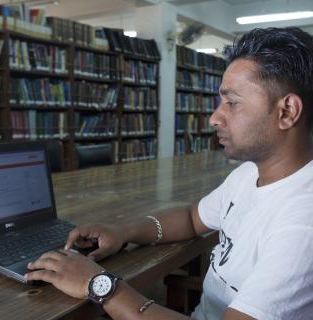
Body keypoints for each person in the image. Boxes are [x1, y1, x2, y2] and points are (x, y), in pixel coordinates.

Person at [25, 27, 313, 320]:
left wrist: (102, 286)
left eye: (232, 103)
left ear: (287, 111)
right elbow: (191, 218)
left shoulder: (302, 227)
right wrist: (124, 233)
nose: (215, 117)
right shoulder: (249, 174)